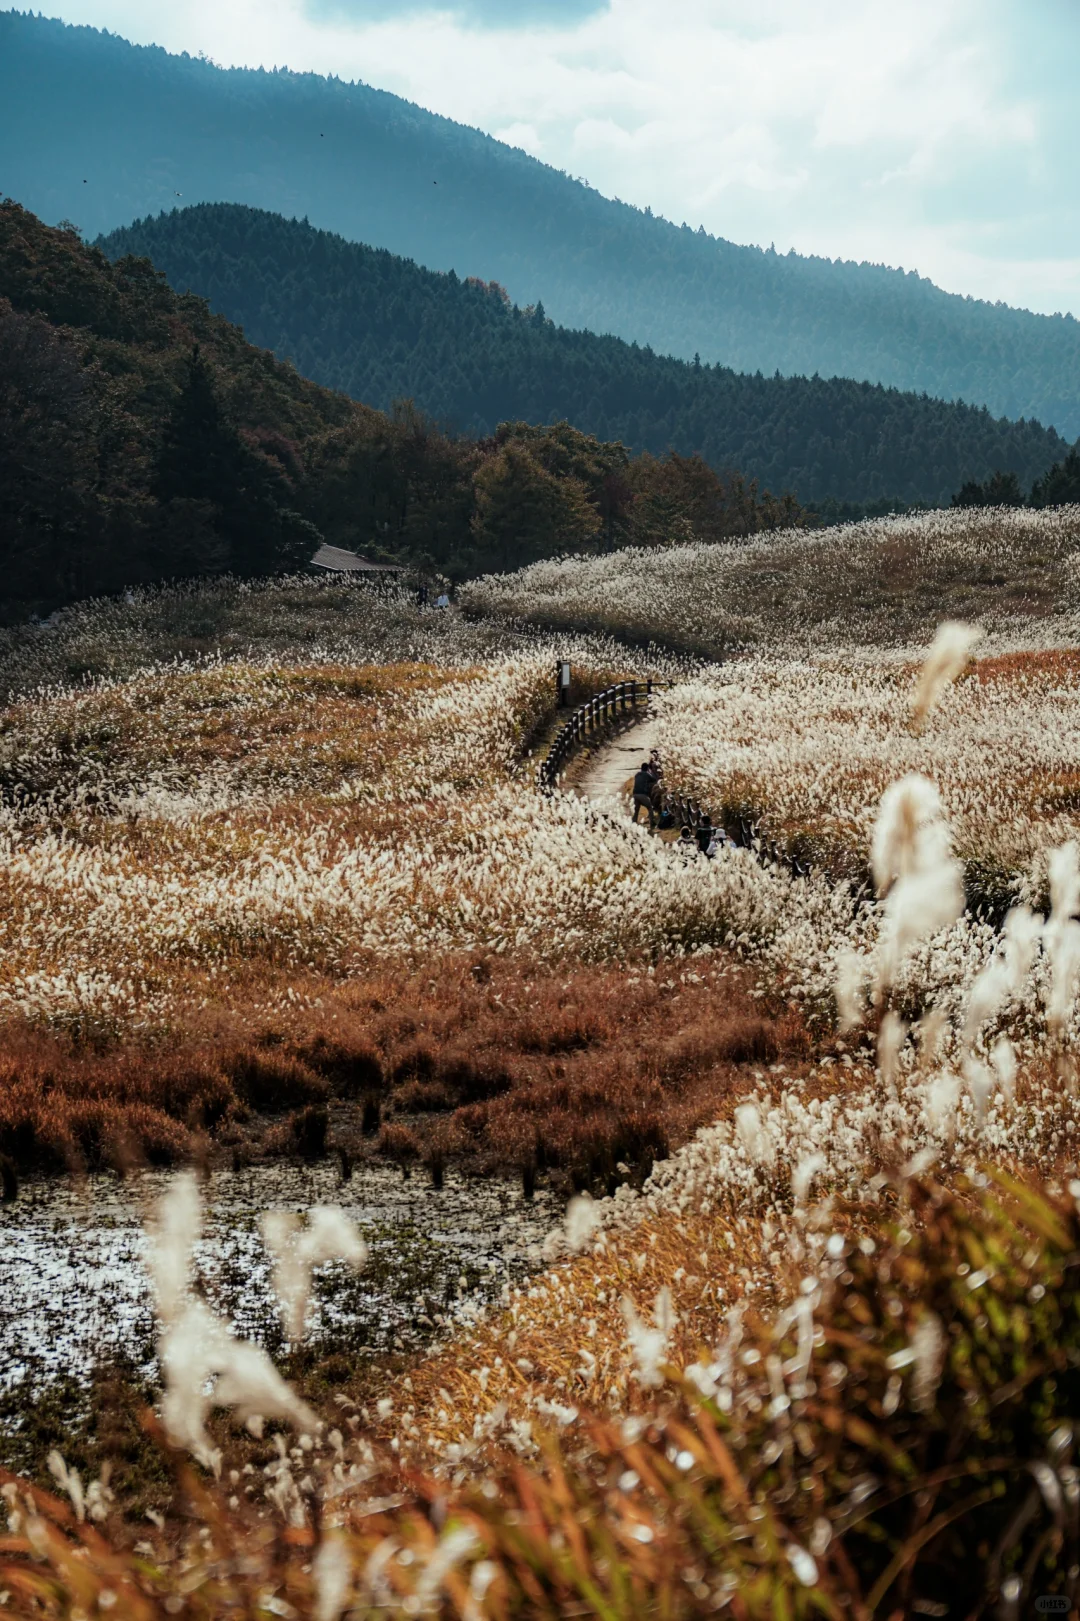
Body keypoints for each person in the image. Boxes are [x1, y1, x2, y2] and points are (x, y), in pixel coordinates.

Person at [632, 763, 657, 827]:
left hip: (635, 794)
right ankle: (652, 823)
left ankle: (634, 822)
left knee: (636, 810)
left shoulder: (637, 774)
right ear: (647, 768)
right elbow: (654, 779)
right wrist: (651, 772)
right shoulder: (646, 774)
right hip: (642, 794)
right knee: (650, 807)